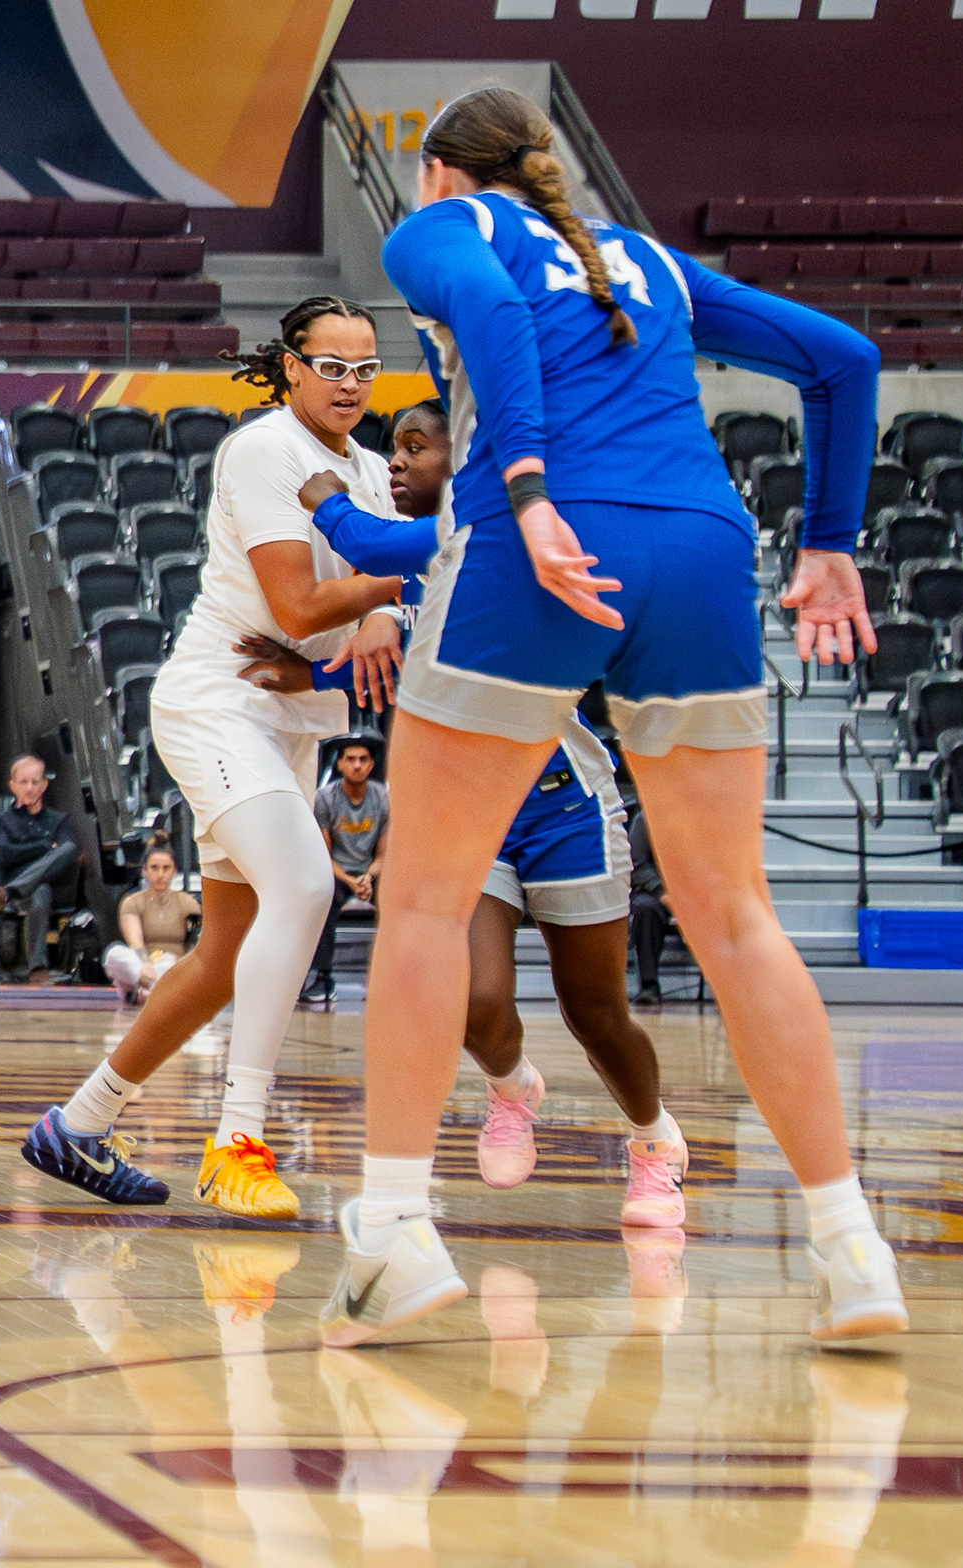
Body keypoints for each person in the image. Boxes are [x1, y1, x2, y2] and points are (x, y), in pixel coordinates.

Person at [321, 85, 900, 1348]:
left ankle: (392, 1230)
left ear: (436, 173)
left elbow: (482, 312)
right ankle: (851, 1244)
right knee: (735, 914)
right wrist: (829, 540)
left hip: (545, 544)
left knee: (421, 896)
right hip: (696, 547)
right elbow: (845, 361)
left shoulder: (443, 230)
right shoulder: (646, 259)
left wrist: (524, 487)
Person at [19, 294, 405, 1218]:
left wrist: (389, 601)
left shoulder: (370, 469)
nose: (351, 384)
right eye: (333, 366)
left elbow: (378, 619)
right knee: (307, 889)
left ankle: (77, 1125)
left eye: (366, 368)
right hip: (218, 703)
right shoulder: (267, 450)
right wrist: (426, 569)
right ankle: (237, 1141)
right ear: (291, 367)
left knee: (229, 952)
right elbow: (310, 609)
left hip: (293, 717)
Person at [282, 393, 689, 1229]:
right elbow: (394, 652)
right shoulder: (431, 567)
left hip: (563, 803)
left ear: (460, 463)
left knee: (596, 1012)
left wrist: (320, 490)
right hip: (474, 814)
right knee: (473, 999)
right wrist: (307, 673)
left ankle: (654, 1143)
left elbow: (362, 540)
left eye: (414, 446)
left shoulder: (483, 533)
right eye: (390, 448)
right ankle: (512, 1089)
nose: (395, 461)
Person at [0, 756, 85, 985]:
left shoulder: (60, 820)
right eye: (24, 782)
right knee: (40, 889)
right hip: (13, 878)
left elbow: (68, 852)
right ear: (13, 785)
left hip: (50, 886)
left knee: (64, 855)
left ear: (44, 784)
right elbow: (3, 855)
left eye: (35, 781)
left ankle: (11, 892)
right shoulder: (0, 821)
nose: (30, 788)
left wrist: (30, 853)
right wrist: (44, 847)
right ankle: (37, 967)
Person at [305, 736, 390, 1003]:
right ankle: (322, 976)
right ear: (340, 764)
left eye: (363, 759)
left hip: (370, 872)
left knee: (397, 900)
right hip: (336, 871)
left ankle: (388, 979)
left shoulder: (383, 799)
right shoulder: (326, 799)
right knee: (323, 898)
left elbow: (384, 855)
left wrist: (368, 877)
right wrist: (351, 881)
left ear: (372, 764)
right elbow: (323, 856)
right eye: (350, 759)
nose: (357, 765)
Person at [102, 845, 200, 1005]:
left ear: (174, 870)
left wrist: (183, 966)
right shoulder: (132, 902)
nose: (160, 874)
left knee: (182, 968)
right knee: (114, 954)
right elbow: (135, 942)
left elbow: (197, 941)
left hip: (173, 966)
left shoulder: (188, 903)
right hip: (142, 968)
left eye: (166, 868)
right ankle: (158, 993)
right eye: (154, 868)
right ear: (144, 871)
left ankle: (153, 994)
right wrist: (146, 966)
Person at [627, 805, 670, 1005]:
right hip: (658, 889)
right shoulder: (647, 817)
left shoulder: (707, 816)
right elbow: (636, 863)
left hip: (699, 892)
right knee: (645, 907)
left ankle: (725, 988)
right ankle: (649, 984)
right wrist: (664, 891)